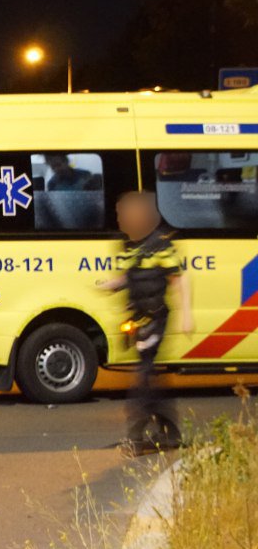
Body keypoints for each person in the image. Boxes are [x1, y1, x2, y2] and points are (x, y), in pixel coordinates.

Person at [100, 191, 194, 455]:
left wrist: (187, 314)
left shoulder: (161, 244)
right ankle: (170, 433)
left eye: (123, 215)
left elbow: (179, 279)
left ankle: (137, 435)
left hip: (156, 318)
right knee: (150, 376)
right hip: (139, 320)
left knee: (142, 378)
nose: (120, 220)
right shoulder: (128, 246)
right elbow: (129, 276)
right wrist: (112, 285)